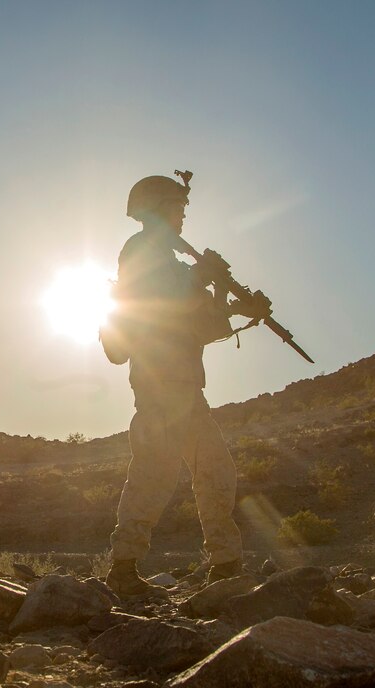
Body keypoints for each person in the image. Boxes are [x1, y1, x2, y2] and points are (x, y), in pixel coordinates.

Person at [103, 172, 270, 598]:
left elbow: (198, 325)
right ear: (158, 208)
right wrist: (203, 275)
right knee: (154, 472)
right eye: (178, 207)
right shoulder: (140, 251)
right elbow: (166, 302)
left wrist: (237, 306)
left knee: (215, 469)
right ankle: (123, 568)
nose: (183, 215)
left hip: (186, 388)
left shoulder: (174, 263)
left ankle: (226, 563)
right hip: (160, 386)